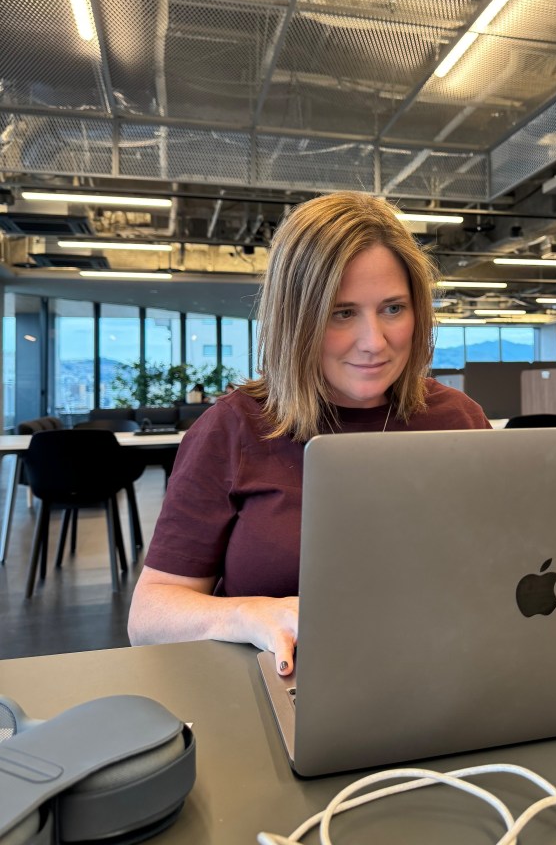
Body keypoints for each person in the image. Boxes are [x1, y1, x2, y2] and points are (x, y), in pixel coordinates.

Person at [128, 191, 490, 674]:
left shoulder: (458, 419)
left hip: (448, 676)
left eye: (393, 309)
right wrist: (248, 613)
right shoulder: (235, 428)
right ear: (296, 320)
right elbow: (147, 617)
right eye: (343, 313)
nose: (374, 342)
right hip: (289, 686)